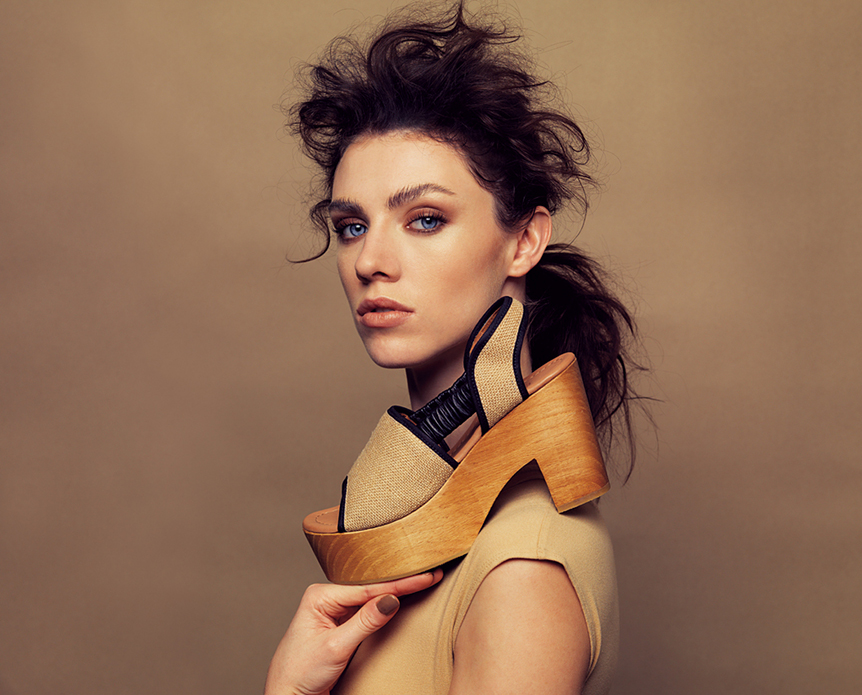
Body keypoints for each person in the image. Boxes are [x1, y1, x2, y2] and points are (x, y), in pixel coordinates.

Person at [265, 3, 642, 693]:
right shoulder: (448, 535)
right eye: (351, 226)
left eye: (425, 219)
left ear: (524, 241)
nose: (370, 261)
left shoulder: (521, 566)